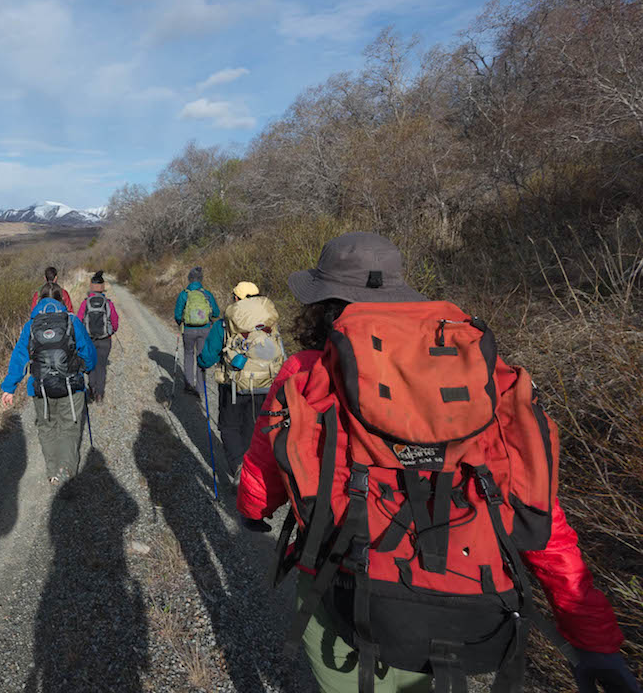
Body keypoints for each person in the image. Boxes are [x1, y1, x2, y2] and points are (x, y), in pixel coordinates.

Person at [236, 234, 639, 693]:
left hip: (344, 587)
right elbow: (536, 510)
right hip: (462, 594)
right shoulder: (481, 376)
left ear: (323, 302)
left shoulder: (308, 372)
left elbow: (265, 466)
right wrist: (592, 637)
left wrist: (253, 511)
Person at [1, 281, 97, 485]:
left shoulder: (31, 325)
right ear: (62, 300)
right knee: (70, 428)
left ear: (38, 300)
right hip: (71, 386)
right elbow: (88, 353)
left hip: (40, 388)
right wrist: (87, 368)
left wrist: (9, 388)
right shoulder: (72, 321)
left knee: (47, 428)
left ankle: (52, 472)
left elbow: (19, 356)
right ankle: (67, 471)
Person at [196, 281, 284, 482]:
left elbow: (208, 357)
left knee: (229, 427)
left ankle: (239, 467)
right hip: (265, 384)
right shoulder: (269, 322)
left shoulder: (226, 322)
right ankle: (253, 473)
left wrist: (201, 362)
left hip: (234, 386)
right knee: (252, 428)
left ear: (236, 298)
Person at [174, 266, 220, 396]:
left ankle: (189, 385)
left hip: (188, 329)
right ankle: (200, 388)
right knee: (201, 356)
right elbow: (216, 312)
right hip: (205, 329)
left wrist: (181, 323)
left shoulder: (184, 294)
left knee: (189, 355)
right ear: (201, 279)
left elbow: (177, 315)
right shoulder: (207, 294)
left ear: (189, 279)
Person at [76, 270, 120, 403]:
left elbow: (78, 321)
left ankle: (92, 390)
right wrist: (110, 332)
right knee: (101, 367)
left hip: (89, 340)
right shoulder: (108, 303)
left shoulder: (85, 303)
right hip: (105, 340)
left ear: (91, 287)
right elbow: (115, 322)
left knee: (90, 366)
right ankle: (100, 395)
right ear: (102, 287)